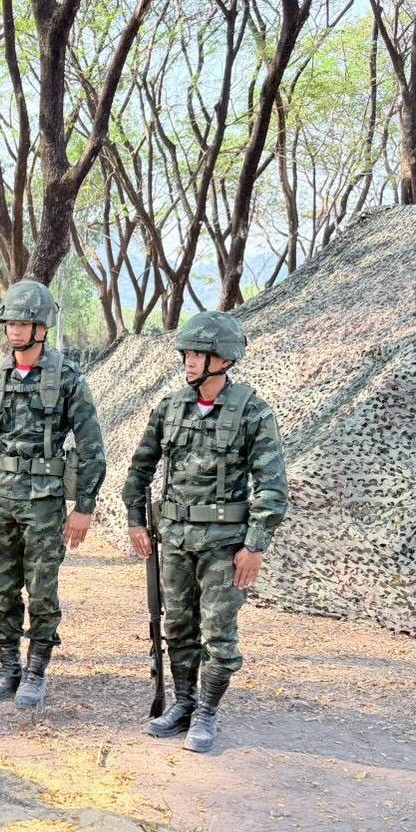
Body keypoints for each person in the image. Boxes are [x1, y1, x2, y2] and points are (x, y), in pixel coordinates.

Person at [120, 310, 288, 752]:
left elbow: (272, 487)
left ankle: (207, 714)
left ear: (224, 360)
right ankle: (183, 702)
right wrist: (136, 520)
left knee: (218, 634)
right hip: (174, 540)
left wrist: (255, 545)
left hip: (224, 545)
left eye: (199, 354)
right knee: (177, 626)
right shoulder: (170, 407)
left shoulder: (253, 412)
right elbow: (140, 469)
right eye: (188, 353)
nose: (189, 361)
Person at [0, 279, 107, 709]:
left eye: (25, 323)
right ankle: (9, 668)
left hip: (44, 502)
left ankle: (37, 669)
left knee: (41, 589)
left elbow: (91, 446)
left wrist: (84, 506)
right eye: (10, 322)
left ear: (42, 327)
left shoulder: (67, 379)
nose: (16, 331)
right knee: (2, 587)